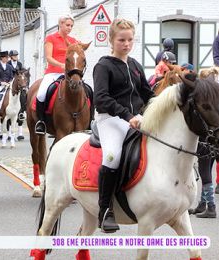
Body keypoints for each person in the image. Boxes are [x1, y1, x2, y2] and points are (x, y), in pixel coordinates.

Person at [93, 18, 154, 233]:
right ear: (111, 40)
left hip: (137, 118)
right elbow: (101, 98)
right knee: (113, 156)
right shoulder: (103, 66)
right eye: (121, 40)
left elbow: (147, 93)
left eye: (130, 40)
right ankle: (105, 210)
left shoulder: (135, 65)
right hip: (110, 120)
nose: (126, 44)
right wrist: (128, 115)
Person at [35, 15, 78, 135]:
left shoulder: (73, 41)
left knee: (86, 90)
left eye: (71, 26)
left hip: (69, 74)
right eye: (67, 25)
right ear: (60, 24)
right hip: (53, 73)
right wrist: (61, 65)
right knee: (41, 93)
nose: (70, 28)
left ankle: (89, 120)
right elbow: (48, 57)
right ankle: (41, 121)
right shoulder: (51, 38)